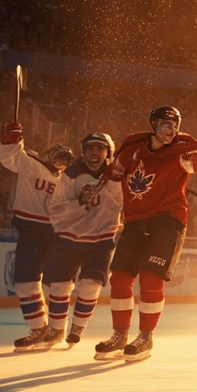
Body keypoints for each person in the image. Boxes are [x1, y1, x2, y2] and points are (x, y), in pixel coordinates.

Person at [95, 106, 197, 362]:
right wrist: (95, 189)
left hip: (168, 221)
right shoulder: (132, 149)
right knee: (120, 278)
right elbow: (113, 174)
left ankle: (145, 336)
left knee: (150, 277)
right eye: (167, 124)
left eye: (176, 125)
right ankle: (120, 334)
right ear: (154, 125)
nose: (172, 130)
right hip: (135, 221)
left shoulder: (182, 149)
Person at [0, 121, 73, 352]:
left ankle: (57, 329)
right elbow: (10, 158)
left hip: (57, 233)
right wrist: (11, 142)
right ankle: (39, 328)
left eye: (66, 159)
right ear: (48, 154)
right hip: (31, 231)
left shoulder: (70, 181)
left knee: (60, 282)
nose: (62, 162)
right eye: (59, 156)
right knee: (24, 283)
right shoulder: (31, 163)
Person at [44, 133, 123, 348]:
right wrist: (79, 202)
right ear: (84, 151)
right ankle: (56, 330)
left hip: (101, 238)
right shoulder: (71, 174)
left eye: (100, 148)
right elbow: (55, 208)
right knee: (59, 286)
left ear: (108, 152)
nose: (94, 152)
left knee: (90, 285)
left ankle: (77, 328)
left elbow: (125, 203)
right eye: (90, 148)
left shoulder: (117, 175)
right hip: (69, 237)